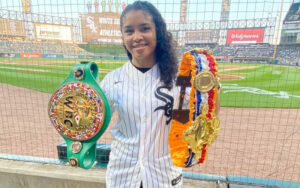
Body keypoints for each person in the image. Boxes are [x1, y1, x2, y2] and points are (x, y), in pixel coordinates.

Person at [100, 1, 220, 188]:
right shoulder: (112, 79)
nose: (137, 36)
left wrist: (211, 86)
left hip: (163, 176)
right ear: (123, 37)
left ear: (158, 32)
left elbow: (191, 121)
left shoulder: (179, 80)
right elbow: (95, 121)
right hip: (122, 176)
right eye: (129, 31)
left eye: (145, 28)